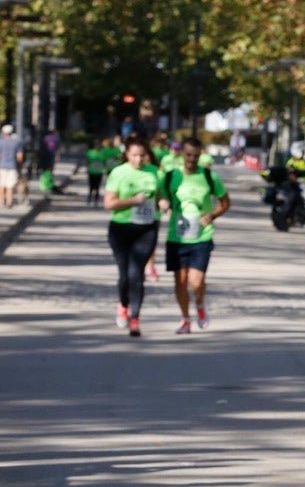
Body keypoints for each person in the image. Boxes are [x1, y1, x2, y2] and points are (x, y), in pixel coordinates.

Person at [161, 137, 231, 334]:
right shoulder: (170, 176)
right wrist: (163, 202)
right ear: (181, 154)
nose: (192, 159)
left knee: (196, 281)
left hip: (202, 236)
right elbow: (159, 194)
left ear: (201, 155)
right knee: (180, 282)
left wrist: (212, 215)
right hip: (177, 237)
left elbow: (225, 203)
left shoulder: (209, 177)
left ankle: (200, 304)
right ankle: (185, 318)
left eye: (196, 156)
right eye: (188, 155)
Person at [103, 139, 162, 338]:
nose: (138, 159)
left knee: (136, 274)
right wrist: (133, 201)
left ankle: (135, 318)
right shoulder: (118, 173)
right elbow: (109, 204)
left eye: (142, 155)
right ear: (127, 154)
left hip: (146, 229)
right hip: (121, 228)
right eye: (134, 155)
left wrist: (163, 202)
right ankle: (123, 305)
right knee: (124, 275)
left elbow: (160, 194)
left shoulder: (154, 171)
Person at [85, 136, 114, 207]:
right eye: (96, 145)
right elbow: (87, 161)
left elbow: (104, 161)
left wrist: (105, 168)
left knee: (97, 187)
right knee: (91, 186)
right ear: (94, 146)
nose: (97, 146)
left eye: (99, 145)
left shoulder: (102, 153)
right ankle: (89, 199)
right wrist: (87, 169)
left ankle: (96, 201)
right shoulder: (90, 152)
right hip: (92, 172)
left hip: (99, 172)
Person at [0, 125, 21, 208]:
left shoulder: (1, 142)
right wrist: (20, 165)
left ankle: (1, 201)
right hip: (12, 166)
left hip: (2, 166)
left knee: (1, 184)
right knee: (10, 186)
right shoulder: (16, 142)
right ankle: (9, 202)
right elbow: (20, 156)